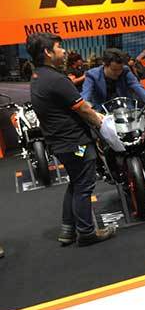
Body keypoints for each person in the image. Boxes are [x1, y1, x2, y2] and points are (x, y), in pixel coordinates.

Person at [27, 33, 115, 246]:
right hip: (76, 144)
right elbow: (82, 108)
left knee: (76, 182)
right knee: (84, 185)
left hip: (60, 142)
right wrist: (100, 121)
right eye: (59, 47)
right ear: (48, 52)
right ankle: (86, 232)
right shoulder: (56, 79)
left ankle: (68, 230)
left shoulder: (38, 76)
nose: (64, 50)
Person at [81, 48, 145, 111]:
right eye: (114, 70)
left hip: (126, 111)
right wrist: (88, 107)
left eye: (120, 69)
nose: (118, 72)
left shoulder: (125, 70)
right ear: (105, 64)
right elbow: (85, 95)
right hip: (102, 113)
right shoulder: (92, 75)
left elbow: (137, 86)